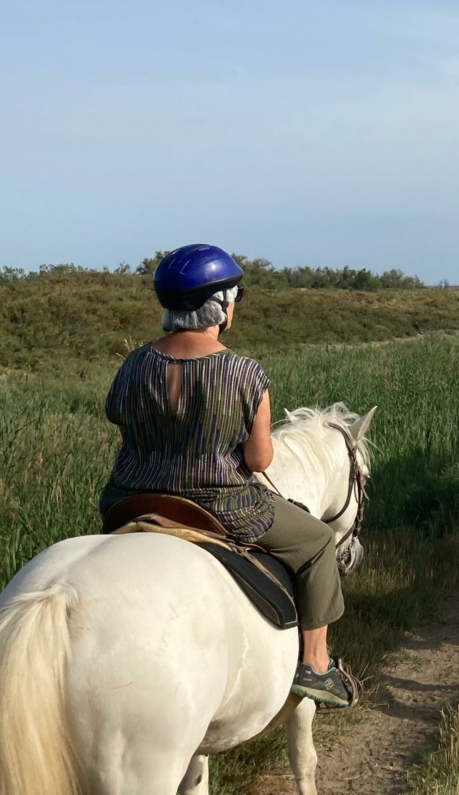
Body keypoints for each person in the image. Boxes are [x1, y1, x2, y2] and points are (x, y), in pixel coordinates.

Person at [100, 243, 356, 707]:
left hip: (129, 500)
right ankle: (316, 665)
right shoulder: (244, 373)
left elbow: (117, 416)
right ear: (220, 305)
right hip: (221, 506)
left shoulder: (133, 364)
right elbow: (259, 462)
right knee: (318, 542)